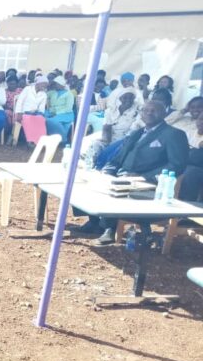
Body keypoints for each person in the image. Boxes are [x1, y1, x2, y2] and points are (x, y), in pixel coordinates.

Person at [72, 100, 189, 244]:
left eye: (154, 110)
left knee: (117, 190)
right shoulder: (137, 133)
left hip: (147, 182)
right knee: (83, 182)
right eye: (145, 110)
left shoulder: (173, 134)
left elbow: (177, 164)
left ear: (165, 113)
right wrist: (107, 171)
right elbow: (118, 158)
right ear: (141, 113)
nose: (149, 113)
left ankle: (109, 228)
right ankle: (94, 221)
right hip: (122, 175)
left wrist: (143, 177)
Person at [45, 75, 75, 139]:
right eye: (54, 84)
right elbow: (44, 94)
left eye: (56, 84)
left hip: (66, 114)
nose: (55, 85)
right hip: (52, 112)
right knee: (41, 116)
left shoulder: (69, 94)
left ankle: (61, 138)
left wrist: (56, 113)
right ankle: (49, 137)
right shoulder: (52, 92)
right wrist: (49, 85)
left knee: (51, 121)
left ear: (61, 85)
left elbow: (68, 108)